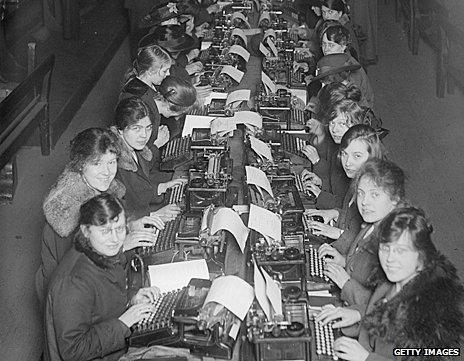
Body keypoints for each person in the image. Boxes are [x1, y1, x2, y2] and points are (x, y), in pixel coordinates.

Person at [316, 207, 464, 360]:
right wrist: (355, 316)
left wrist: (366, 358)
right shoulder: (389, 284)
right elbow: (379, 329)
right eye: (385, 248)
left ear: (421, 256)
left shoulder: (430, 308)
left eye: (401, 251)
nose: (389, 259)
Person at [36, 128, 163, 303]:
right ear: (80, 165)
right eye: (97, 164)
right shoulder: (67, 214)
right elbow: (76, 272)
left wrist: (130, 225)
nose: (107, 172)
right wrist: (120, 247)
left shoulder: (102, 189)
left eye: (111, 162)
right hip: (71, 298)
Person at [44, 194, 162, 361]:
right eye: (105, 231)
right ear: (85, 231)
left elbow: (102, 304)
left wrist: (131, 302)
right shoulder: (73, 283)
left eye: (120, 229)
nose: (115, 239)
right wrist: (123, 323)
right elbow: (73, 351)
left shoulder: (103, 252)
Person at [318, 159, 406, 313]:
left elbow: (381, 310)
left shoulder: (395, 245)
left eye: (375, 194)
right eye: (360, 193)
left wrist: (346, 283)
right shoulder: (372, 225)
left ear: (395, 199)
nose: (364, 202)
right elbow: (359, 267)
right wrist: (342, 260)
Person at [306, 124, 386, 242]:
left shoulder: (376, 194)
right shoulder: (358, 181)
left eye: (357, 156)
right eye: (344, 154)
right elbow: (350, 213)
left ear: (372, 157)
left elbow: (369, 246)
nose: (347, 163)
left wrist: (338, 233)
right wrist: (334, 213)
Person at [111, 96, 188, 217]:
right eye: (136, 128)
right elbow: (120, 210)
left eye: (149, 128)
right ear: (120, 130)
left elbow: (140, 189)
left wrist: (162, 187)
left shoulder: (134, 149)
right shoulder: (115, 163)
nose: (144, 135)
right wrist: (154, 214)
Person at [301, 83, 365, 209]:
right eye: (332, 123)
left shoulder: (356, 160)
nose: (334, 130)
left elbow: (351, 208)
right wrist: (321, 182)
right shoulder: (341, 146)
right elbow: (337, 185)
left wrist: (321, 194)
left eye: (342, 124)